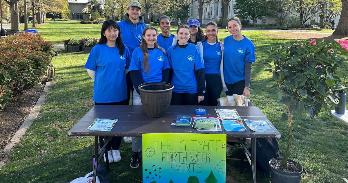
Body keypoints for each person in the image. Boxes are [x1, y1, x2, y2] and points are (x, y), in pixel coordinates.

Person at [84, 20, 131, 163]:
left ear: (119, 32)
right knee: (104, 123)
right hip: (103, 94)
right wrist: (103, 81)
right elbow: (90, 70)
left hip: (121, 93)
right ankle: (107, 148)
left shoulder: (124, 49)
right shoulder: (97, 49)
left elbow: (127, 69)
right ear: (104, 32)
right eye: (110, 30)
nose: (113, 33)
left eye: (115, 30)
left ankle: (115, 148)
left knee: (119, 123)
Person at [128, 27, 170, 168]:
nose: (151, 38)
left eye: (154, 35)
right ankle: (135, 154)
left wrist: (162, 87)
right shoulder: (137, 51)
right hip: (142, 91)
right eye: (148, 35)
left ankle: (155, 151)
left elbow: (166, 70)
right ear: (144, 37)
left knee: (158, 121)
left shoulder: (161, 51)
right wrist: (141, 90)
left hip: (158, 92)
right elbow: (134, 71)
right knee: (138, 123)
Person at [167, 25, 205, 105]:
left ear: (189, 35)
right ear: (177, 35)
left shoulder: (194, 48)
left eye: (186, 34)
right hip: (175, 89)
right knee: (175, 114)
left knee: (190, 114)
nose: (183, 36)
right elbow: (168, 71)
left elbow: (200, 70)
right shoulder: (171, 50)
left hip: (191, 89)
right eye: (181, 33)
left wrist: (201, 92)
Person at [223, 17, 255, 98]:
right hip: (226, 80)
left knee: (238, 107)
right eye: (230, 27)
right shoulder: (226, 40)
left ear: (240, 26)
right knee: (229, 106)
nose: (232, 29)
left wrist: (247, 86)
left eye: (235, 25)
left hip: (240, 81)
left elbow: (248, 67)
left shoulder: (248, 44)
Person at [202, 21, 223, 106]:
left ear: (217, 31)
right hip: (203, 78)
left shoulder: (221, 46)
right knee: (203, 103)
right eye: (208, 31)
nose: (211, 33)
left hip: (216, 79)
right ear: (206, 32)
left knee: (213, 104)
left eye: (213, 30)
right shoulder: (200, 46)